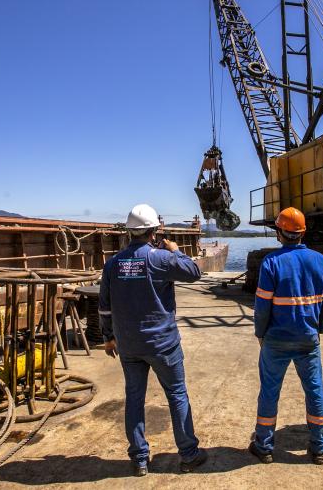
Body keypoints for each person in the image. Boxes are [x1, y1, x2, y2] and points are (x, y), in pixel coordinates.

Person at [99, 203, 208, 476]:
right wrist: (176, 250)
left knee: (134, 398)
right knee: (177, 395)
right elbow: (194, 272)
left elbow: (104, 307)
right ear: (154, 231)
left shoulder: (113, 264)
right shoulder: (160, 258)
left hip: (129, 345)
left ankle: (139, 460)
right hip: (162, 344)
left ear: (128, 231)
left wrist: (109, 338)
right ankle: (188, 454)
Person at [249, 207, 323, 465]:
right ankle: (319, 447)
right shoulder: (320, 261)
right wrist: (319, 329)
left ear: (279, 232)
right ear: (302, 232)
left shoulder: (271, 263)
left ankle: (264, 445)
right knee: (315, 390)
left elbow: (262, 306)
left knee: (269, 392)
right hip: (308, 339)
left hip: (276, 340)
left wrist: (260, 333)